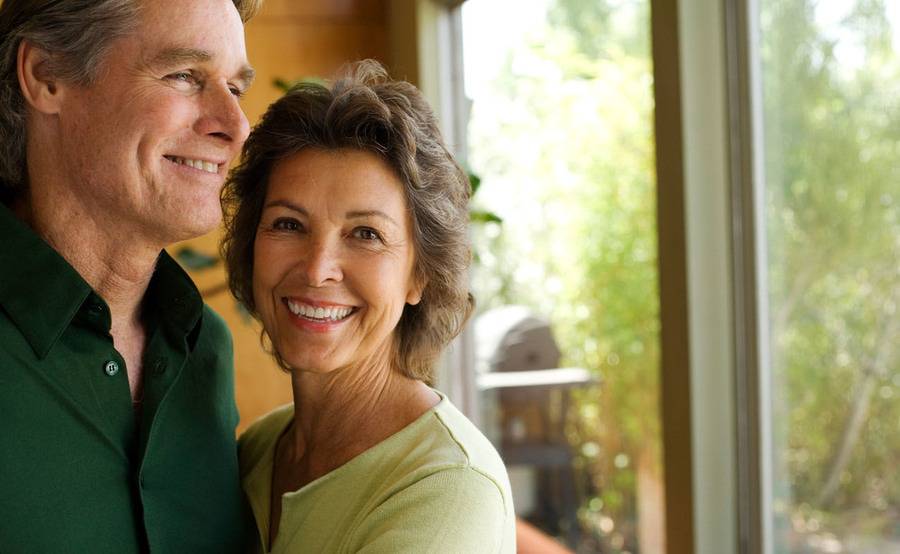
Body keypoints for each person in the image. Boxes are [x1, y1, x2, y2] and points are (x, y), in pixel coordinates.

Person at [223, 60, 517, 553]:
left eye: (366, 234)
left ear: (419, 275)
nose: (318, 269)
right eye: (289, 224)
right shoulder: (257, 452)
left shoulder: (450, 488)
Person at [0, 0, 260, 551]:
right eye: (186, 76)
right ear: (47, 76)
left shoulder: (206, 349)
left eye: (235, 88)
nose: (236, 127)